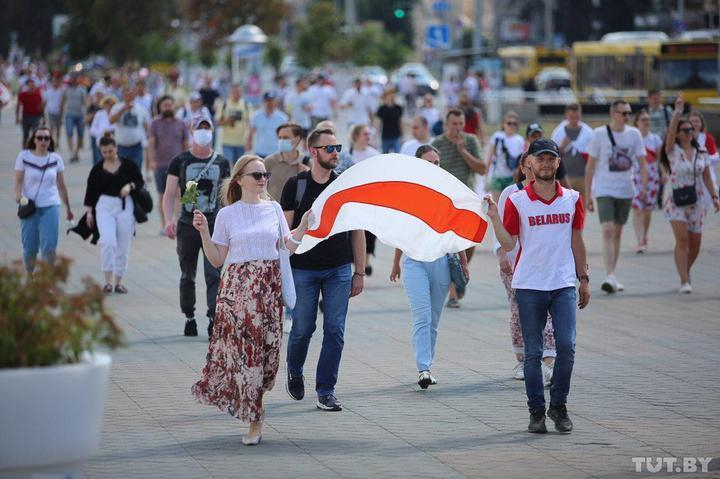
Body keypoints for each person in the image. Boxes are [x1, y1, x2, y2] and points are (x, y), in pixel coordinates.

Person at [191, 154, 313, 446]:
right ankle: (255, 422)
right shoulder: (227, 214)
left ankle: (252, 405)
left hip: (269, 292)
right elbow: (218, 258)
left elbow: (288, 248)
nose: (262, 180)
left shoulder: (273, 210)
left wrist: (304, 226)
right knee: (250, 357)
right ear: (239, 180)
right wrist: (204, 233)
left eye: (264, 175)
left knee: (268, 358)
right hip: (238, 293)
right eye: (256, 175)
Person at [485, 137, 590, 434]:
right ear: (529, 163)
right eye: (539, 159)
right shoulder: (518, 200)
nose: (545, 164)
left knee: (566, 347)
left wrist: (584, 278)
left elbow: (577, 240)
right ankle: (536, 411)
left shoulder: (572, 198)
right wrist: (494, 218)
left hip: (563, 284)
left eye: (550, 159)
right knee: (533, 353)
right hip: (529, 285)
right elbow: (509, 243)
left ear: (557, 162)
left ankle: (559, 405)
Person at [281, 128, 366, 412]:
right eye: (329, 148)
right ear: (313, 150)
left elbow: (358, 231)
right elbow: (284, 233)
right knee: (303, 328)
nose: (336, 153)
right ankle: (294, 369)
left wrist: (359, 271)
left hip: (338, 269)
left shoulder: (343, 186)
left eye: (337, 147)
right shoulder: (296, 185)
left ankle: (326, 390)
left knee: (335, 330)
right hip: (303, 269)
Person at [390, 144, 469, 388]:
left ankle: (428, 366)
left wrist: (463, 261)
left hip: (441, 262)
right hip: (415, 263)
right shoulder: (408, 194)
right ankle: (422, 368)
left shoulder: (448, 194)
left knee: (433, 319)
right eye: (429, 162)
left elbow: (454, 231)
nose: (434, 167)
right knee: (422, 316)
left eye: (437, 162)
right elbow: (401, 233)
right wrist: (396, 263)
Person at [163, 116, 231, 337]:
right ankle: (189, 315)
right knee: (187, 274)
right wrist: (168, 220)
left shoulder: (221, 162)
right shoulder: (180, 160)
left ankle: (213, 316)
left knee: (214, 273)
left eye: (206, 128)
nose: (203, 132)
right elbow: (170, 193)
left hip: (214, 224)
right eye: (198, 128)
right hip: (187, 223)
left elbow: (228, 195)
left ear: (212, 132)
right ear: (191, 131)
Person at [495, 151, 557, 384]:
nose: (536, 168)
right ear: (523, 167)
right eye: (530, 164)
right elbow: (499, 225)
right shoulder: (511, 193)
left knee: (548, 310)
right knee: (518, 310)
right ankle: (521, 359)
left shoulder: (551, 192)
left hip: (543, 263)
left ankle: (549, 361)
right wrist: (501, 253)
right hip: (514, 262)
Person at [585, 100, 648, 294]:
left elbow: (643, 163)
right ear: (613, 114)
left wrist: (643, 187)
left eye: (629, 113)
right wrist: (588, 195)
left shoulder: (634, 134)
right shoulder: (599, 134)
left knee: (618, 233)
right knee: (607, 230)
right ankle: (609, 274)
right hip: (604, 189)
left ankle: (613, 275)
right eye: (623, 113)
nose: (627, 116)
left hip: (626, 190)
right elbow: (590, 166)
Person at [661, 97, 720, 294]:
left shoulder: (700, 151)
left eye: (690, 130)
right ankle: (684, 280)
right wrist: (677, 112)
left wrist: (714, 197)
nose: (689, 133)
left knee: (696, 242)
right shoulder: (672, 150)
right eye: (685, 130)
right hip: (675, 200)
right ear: (678, 134)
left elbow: (707, 177)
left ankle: (685, 269)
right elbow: (669, 133)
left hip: (696, 201)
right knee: (683, 239)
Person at [431, 109, 486, 308]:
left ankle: (461, 271)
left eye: (461, 124)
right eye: (454, 124)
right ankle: (454, 291)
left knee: (470, 243)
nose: (458, 128)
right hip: (446, 202)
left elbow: (482, 168)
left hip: (468, 200)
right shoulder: (437, 144)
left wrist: (463, 150)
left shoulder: (470, 141)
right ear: (447, 125)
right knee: (452, 246)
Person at [82, 133, 144, 294]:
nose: (108, 154)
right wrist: (89, 213)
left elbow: (140, 181)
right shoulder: (97, 169)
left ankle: (119, 282)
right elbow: (91, 192)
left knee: (123, 245)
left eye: (110, 151)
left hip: (125, 205)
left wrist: (129, 186)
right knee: (108, 242)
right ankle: (107, 281)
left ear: (116, 148)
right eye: (104, 152)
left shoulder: (129, 165)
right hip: (104, 205)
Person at [14, 126, 73, 272]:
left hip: (51, 205)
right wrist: (18, 195)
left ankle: (47, 281)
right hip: (29, 206)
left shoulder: (56, 159)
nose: (43, 141)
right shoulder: (24, 156)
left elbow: (61, 186)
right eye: (39, 138)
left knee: (49, 246)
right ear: (34, 140)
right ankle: (30, 276)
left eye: (46, 138)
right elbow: (18, 180)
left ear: (50, 141)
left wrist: (68, 208)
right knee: (30, 247)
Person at [149, 95, 189, 232]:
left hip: (179, 165)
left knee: (179, 194)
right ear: (160, 107)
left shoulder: (181, 123)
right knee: (162, 194)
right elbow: (151, 143)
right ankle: (164, 225)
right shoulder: (154, 123)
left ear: (174, 106)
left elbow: (185, 144)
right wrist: (151, 160)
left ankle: (177, 224)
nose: (168, 107)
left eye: (170, 105)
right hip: (160, 164)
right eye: (165, 105)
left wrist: (187, 161)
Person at [631, 110, 663, 253]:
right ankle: (640, 240)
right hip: (634, 176)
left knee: (647, 209)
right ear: (637, 122)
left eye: (648, 120)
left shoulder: (655, 139)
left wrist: (665, 172)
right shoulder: (632, 137)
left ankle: (645, 235)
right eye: (643, 119)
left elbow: (661, 159)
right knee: (637, 208)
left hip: (652, 177)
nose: (646, 122)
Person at [550, 104, 593, 198]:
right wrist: (561, 147)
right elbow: (551, 156)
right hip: (564, 178)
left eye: (577, 116)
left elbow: (593, 156)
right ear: (566, 115)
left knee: (581, 209)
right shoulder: (558, 132)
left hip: (583, 177)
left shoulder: (588, 133)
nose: (574, 119)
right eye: (572, 117)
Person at [109, 85, 151, 170]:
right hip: (121, 146)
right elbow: (111, 121)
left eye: (131, 95)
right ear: (123, 95)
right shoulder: (117, 107)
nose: (129, 97)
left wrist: (148, 140)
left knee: (136, 170)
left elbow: (147, 126)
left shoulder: (141, 109)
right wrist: (123, 109)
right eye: (127, 95)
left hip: (137, 146)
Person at [264, 123, 309, 201]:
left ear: (297, 139)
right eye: (280, 138)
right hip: (272, 210)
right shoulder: (269, 161)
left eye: (285, 138)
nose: (281, 141)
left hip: (296, 211)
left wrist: (308, 175)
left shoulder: (307, 163)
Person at [486, 111, 525, 201]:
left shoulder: (519, 140)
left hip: (511, 178)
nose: (511, 126)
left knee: (509, 203)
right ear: (503, 124)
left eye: (514, 124)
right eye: (509, 123)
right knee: (497, 203)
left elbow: (521, 160)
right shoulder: (497, 136)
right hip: (497, 176)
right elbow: (489, 156)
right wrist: (486, 176)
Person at [688, 110, 719, 212]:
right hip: (689, 176)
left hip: (706, 175)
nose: (694, 124)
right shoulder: (684, 138)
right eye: (692, 121)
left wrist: (702, 159)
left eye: (697, 121)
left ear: (701, 124)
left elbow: (715, 156)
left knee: (703, 206)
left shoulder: (707, 138)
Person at [216, 83, 251, 164]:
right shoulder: (224, 104)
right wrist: (227, 121)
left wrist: (249, 140)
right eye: (235, 92)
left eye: (239, 92)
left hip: (241, 142)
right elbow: (217, 122)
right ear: (230, 92)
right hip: (227, 142)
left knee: (238, 168)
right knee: (228, 166)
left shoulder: (246, 105)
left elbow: (250, 124)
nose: (237, 94)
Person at [526, 123, 569, 188]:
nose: (537, 138)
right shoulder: (522, 159)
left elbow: (564, 183)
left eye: (539, 135)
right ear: (527, 139)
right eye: (534, 136)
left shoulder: (553, 157)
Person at [247, 92, 289, 158]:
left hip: (276, 153)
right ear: (264, 102)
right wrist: (248, 145)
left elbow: (287, 136)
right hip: (260, 152)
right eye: (267, 101)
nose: (270, 103)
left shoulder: (282, 118)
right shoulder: (256, 116)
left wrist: (288, 151)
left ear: (275, 102)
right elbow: (250, 133)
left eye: (272, 100)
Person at [61, 74, 87, 162]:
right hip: (69, 114)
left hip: (80, 115)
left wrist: (86, 115)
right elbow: (63, 101)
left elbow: (85, 103)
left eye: (75, 78)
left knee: (80, 135)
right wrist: (61, 114)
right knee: (69, 133)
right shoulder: (66, 89)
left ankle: (76, 152)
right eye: (72, 78)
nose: (73, 80)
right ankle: (72, 153)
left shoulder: (82, 89)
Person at [16, 78, 44, 147]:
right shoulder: (22, 95)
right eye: (30, 85)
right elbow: (18, 106)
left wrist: (43, 118)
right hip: (26, 116)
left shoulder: (38, 95)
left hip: (36, 117)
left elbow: (41, 107)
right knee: (26, 135)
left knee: (35, 133)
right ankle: (24, 151)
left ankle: (34, 149)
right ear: (27, 86)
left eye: (33, 85)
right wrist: (17, 117)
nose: (32, 87)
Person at [89, 96, 117, 165]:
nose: (109, 106)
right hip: (101, 142)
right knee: (100, 163)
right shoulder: (99, 114)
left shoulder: (116, 115)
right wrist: (102, 133)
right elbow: (92, 130)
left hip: (113, 142)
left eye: (111, 105)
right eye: (107, 104)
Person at [376, 88, 403, 154]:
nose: (392, 97)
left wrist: (402, 134)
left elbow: (400, 121)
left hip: (396, 135)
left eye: (393, 95)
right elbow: (378, 122)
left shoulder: (398, 108)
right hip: (385, 135)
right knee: (385, 155)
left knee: (398, 155)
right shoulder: (382, 108)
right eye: (390, 95)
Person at [44, 73, 64, 147]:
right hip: (51, 111)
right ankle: (52, 141)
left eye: (56, 81)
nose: (55, 83)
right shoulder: (48, 92)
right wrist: (43, 113)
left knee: (58, 128)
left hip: (58, 112)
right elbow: (45, 102)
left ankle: (57, 141)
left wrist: (62, 113)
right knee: (52, 127)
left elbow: (62, 103)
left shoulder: (61, 91)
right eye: (54, 81)